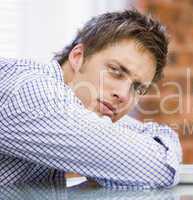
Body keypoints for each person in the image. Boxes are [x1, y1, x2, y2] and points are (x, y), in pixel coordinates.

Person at [0, 10, 182, 189]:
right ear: (78, 57)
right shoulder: (32, 96)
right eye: (116, 71)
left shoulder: (83, 107)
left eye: (137, 88)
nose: (124, 95)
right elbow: (160, 168)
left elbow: (162, 135)